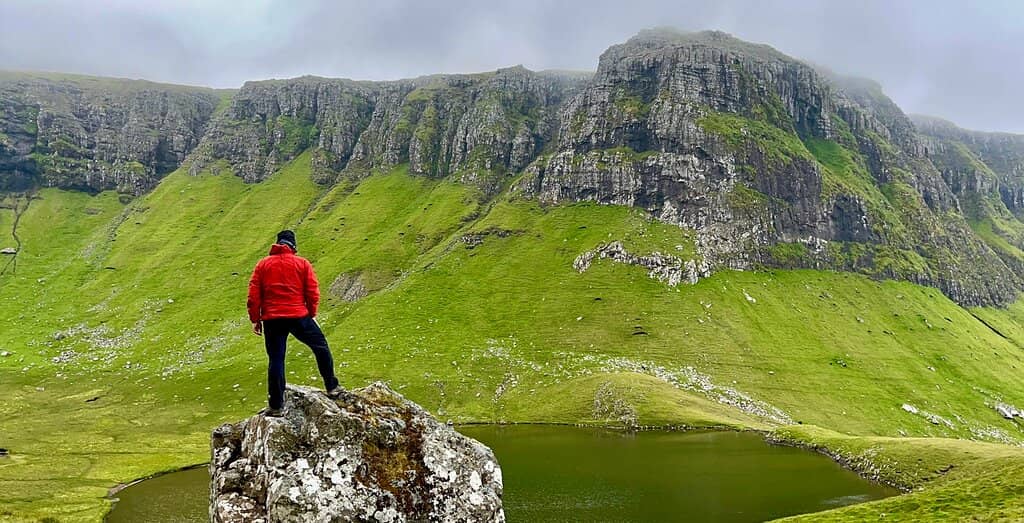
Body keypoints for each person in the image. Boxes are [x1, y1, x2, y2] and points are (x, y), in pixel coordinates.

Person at [247, 230, 341, 416]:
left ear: (277, 244)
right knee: (320, 346)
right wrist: (311, 313)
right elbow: (312, 291)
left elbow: (253, 296)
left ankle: (276, 406)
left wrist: (255, 319)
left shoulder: (263, 265)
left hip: (272, 319)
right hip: (298, 315)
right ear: (293, 245)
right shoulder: (302, 263)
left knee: (276, 359)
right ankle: (332, 386)